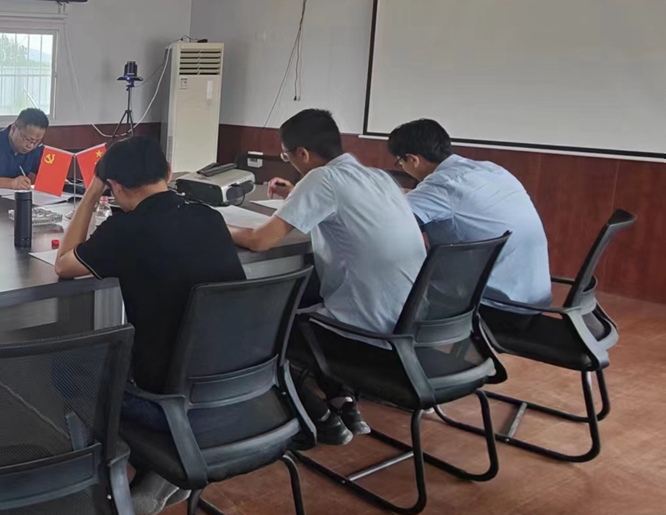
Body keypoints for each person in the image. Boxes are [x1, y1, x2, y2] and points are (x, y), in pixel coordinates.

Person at [54, 136, 245, 515]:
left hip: (168, 404)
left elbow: (64, 264)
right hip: (238, 390)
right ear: (168, 172)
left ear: (114, 187)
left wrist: (91, 194)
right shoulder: (210, 217)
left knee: (67, 370)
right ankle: (161, 466)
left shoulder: (126, 230)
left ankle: (120, 472)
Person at [228, 109, 427, 445]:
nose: (290, 162)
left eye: (287, 156)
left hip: (368, 335)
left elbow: (260, 241)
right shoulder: (377, 177)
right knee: (307, 302)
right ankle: (342, 402)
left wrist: (217, 224)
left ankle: (321, 419)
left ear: (302, 153)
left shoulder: (321, 180)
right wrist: (298, 195)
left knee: (261, 333)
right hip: (410, 327)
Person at [389, 118, 552, 330]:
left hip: (493, 308)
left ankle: (388, 343)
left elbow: (385, 222)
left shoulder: (443, 185)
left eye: (399, 163)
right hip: (530, 300)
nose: (401, 167)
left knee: (385, 277)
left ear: (413, 159)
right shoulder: (492, 170)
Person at [0, 108, 50, 190]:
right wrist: (11, 183)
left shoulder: (36, 150)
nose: (30, 146)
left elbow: (49, 176)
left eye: (37, 141)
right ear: (13, 129)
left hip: (14, 196)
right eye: (27, 139)